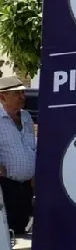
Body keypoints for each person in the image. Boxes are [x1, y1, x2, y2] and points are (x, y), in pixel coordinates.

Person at [0, 76, 36, 235]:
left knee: (20, 230)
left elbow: (31, 146)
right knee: (6, 234)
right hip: (5, 186)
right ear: (2, 97)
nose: (22, 97)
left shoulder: (27, 117)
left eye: (22, 93)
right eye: (16, 93)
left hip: (26, 187)